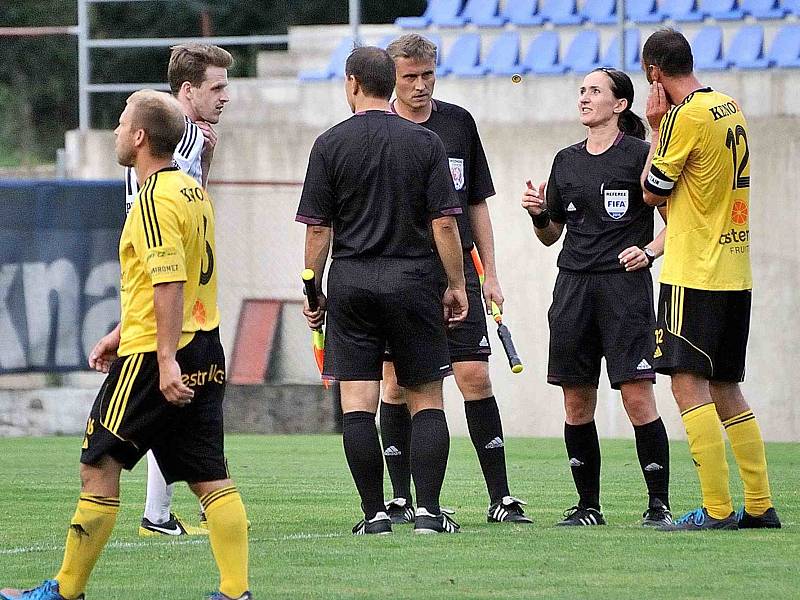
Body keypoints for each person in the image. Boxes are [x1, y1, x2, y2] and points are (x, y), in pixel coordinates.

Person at [1, 90, 250, 600]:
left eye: (120, 124)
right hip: (203, 347)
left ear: (139, 138)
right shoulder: (192, 192)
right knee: (209, 476)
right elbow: (164, 281)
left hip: (160, 355)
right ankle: (235, 591)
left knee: (98, 465)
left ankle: (65, 591)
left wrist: (160, 359)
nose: (116, 132)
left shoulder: (154, 199)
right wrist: (118, 333)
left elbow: (169, 281)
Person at [296, 46, 468, 535]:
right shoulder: (425, 142)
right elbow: (445, 226)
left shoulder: (329, 145)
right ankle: (430, 514)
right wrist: (456, 284)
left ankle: (374, 514)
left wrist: (313, 294)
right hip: (414, 280)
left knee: (358, 403)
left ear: (352, 83)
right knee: (427, 399)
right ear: (392, 83)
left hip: (351, 281)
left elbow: (316, 232)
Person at [380, 33, 531, 525]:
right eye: (410, 77)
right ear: (392, 79)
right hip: (402, 270)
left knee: (475, 375)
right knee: (398, 385)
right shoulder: (380, 128)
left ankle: (501, 498)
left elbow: (475, 205)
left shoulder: (458, 123)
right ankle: (402, 499)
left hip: (460, 271)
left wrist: (490, 273)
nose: (421, 86)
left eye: (428, 75)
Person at [640, 28, 780, 531]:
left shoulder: (683, 116)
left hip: (693, 272)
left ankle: (718, 510)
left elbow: (654, 191)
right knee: (726, 387)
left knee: (686, 384)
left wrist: (655, 129)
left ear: (654, 72)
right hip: (734, 269)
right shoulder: (728, 105)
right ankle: (760, 505)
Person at [522, 68, 672, 527]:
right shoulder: (565, 160)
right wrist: (538, 213)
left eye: (594, 91)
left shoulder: (641, 157)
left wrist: (647, 252)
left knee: (637, 397)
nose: (584, 98)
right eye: (582, 90)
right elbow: (551, 236)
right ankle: (588, 506)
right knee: (575, 400)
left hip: (623, 290)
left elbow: (677, 222)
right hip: (572, 287)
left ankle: (658, 506)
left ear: (620, 105)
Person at [124, 43, 232, 537]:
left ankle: (161, 513)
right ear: (187, 91)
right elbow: (173, 205)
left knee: (179, 399)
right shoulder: (183, 138)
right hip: (169, 281)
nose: (225, 96)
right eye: (216, 87)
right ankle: (180, 506)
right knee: (172, 395)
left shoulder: (179, 136)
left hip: (172, 279)